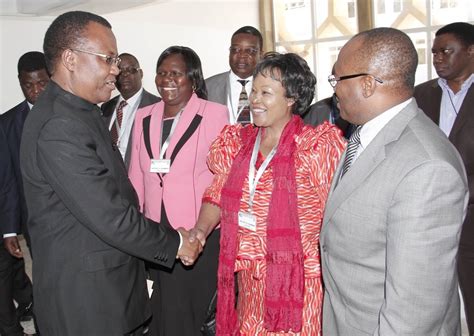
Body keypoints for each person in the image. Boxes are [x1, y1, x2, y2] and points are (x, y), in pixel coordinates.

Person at [19, 11, 201, 336]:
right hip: (86, 304)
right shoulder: (59, 125)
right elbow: (111, 216)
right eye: (108, 59)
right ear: (71, 59)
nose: (116, 70)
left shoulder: (81, 110)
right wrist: (175, 242)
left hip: (106, 292)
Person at [320, 27, 468, 335]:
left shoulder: (426, 168)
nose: (334, 91)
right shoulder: (366, 134)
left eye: (338, 80)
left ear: (367, 84)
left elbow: (414, 312)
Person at [189, 52, 345, 335]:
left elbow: (338, 217)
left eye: (265, 93)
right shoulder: (237, 142)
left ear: (291, 99)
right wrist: (200, 230)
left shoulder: (316, 148)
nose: (255, 100)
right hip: (250, 280)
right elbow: (217, 192)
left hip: (299, 283)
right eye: (254, 91)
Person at [128, 45, 228, 335]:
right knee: (161, 304)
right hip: (155, 229)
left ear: (193, 79)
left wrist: (203, 227)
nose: (166, 79)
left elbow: (221, 175)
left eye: (176, 73)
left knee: (191, 308)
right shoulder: (143, 116)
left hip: (197, 229)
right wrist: (136, 220)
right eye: (161, 73)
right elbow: (136, 173)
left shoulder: (214, 114)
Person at [413, 22, 474, 335]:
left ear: (471, 51)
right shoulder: (421, 95)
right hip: (430, 214)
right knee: (433, 300)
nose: (437, 58)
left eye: (446, 51)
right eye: (434, 52)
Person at [0, 51, 49, 336]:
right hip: (33, 219)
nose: (35, 91)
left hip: (71, 217)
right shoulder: (7, 124)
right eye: (28, 85)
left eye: (41, 83)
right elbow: (7, 182)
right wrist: (8, 231)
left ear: (50, 78)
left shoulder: (76, 111)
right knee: (42, 277)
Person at [101, 52, 160, 168]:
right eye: (120, 71)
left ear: (141, 74)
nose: (125, 75)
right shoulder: (106, 107)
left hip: (139, 179)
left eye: (131, 70)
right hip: (107, 177)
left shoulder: (158, 106)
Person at [206, 26, 263, 124]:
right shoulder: (207, 87)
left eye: (249, 51)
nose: (241, 55)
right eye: (236, 49)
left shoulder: (270, 87)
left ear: (261, 55)